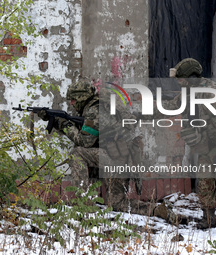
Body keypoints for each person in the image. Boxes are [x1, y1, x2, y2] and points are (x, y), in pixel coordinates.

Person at [38, 77, 179, 224]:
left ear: (81, 97)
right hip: (123, 161)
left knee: (77, 153)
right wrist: (56, 122)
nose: (71, 103)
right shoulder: (102, 106)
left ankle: (82, 204)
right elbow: (88, 132)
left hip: (114, 160)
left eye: (73, 99)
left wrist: (65, 125)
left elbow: (84, 141)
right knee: (117, 203)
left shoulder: (94, 111)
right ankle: (157, 210)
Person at [168, 58, 216, 233]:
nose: (179, 82)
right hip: (206, 145)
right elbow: (170, 106)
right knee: (204, 181)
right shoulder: (188, 92)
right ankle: (208, 218)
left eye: (182, 78)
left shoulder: (210, 91)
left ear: (192, 77)